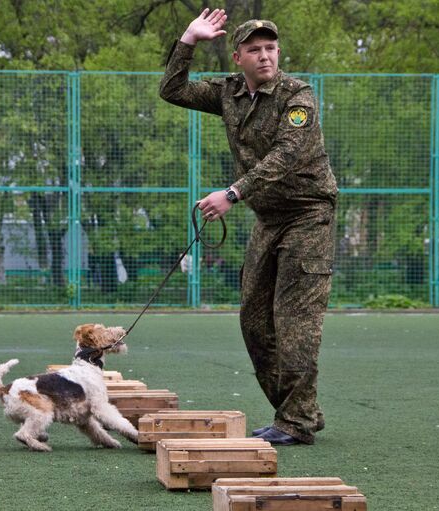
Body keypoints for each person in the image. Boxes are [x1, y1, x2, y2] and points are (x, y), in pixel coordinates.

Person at [159, 9, 338, 445]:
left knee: (294, 320)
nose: (265, 56)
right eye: (255, 50)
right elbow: (172, 89)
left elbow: (285, 155)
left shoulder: (298, 96)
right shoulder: (229, 93)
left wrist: (232, 194)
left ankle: (295, 423)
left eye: (271, 48)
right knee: (254, 321)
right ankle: (299, 411)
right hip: (269, 218)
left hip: (308, 215)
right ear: (237, 57)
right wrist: (188, 40)